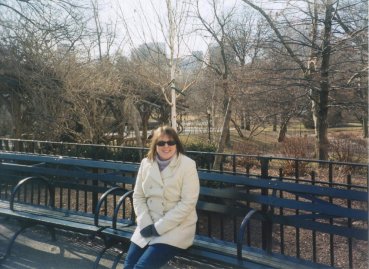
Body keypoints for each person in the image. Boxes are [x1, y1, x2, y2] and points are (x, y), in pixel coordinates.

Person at [124, 125, 200, 269]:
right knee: (129, 266)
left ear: (176, 144)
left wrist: (159, 227)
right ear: (155, 145)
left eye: (171, 142)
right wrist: (145, 223)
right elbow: (138, 196)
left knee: (142, 267)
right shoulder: (146, 163)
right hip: (148, 224)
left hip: (176, 228)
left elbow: (188, 203)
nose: (166, 146)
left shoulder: (187, 165)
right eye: (161, 143)